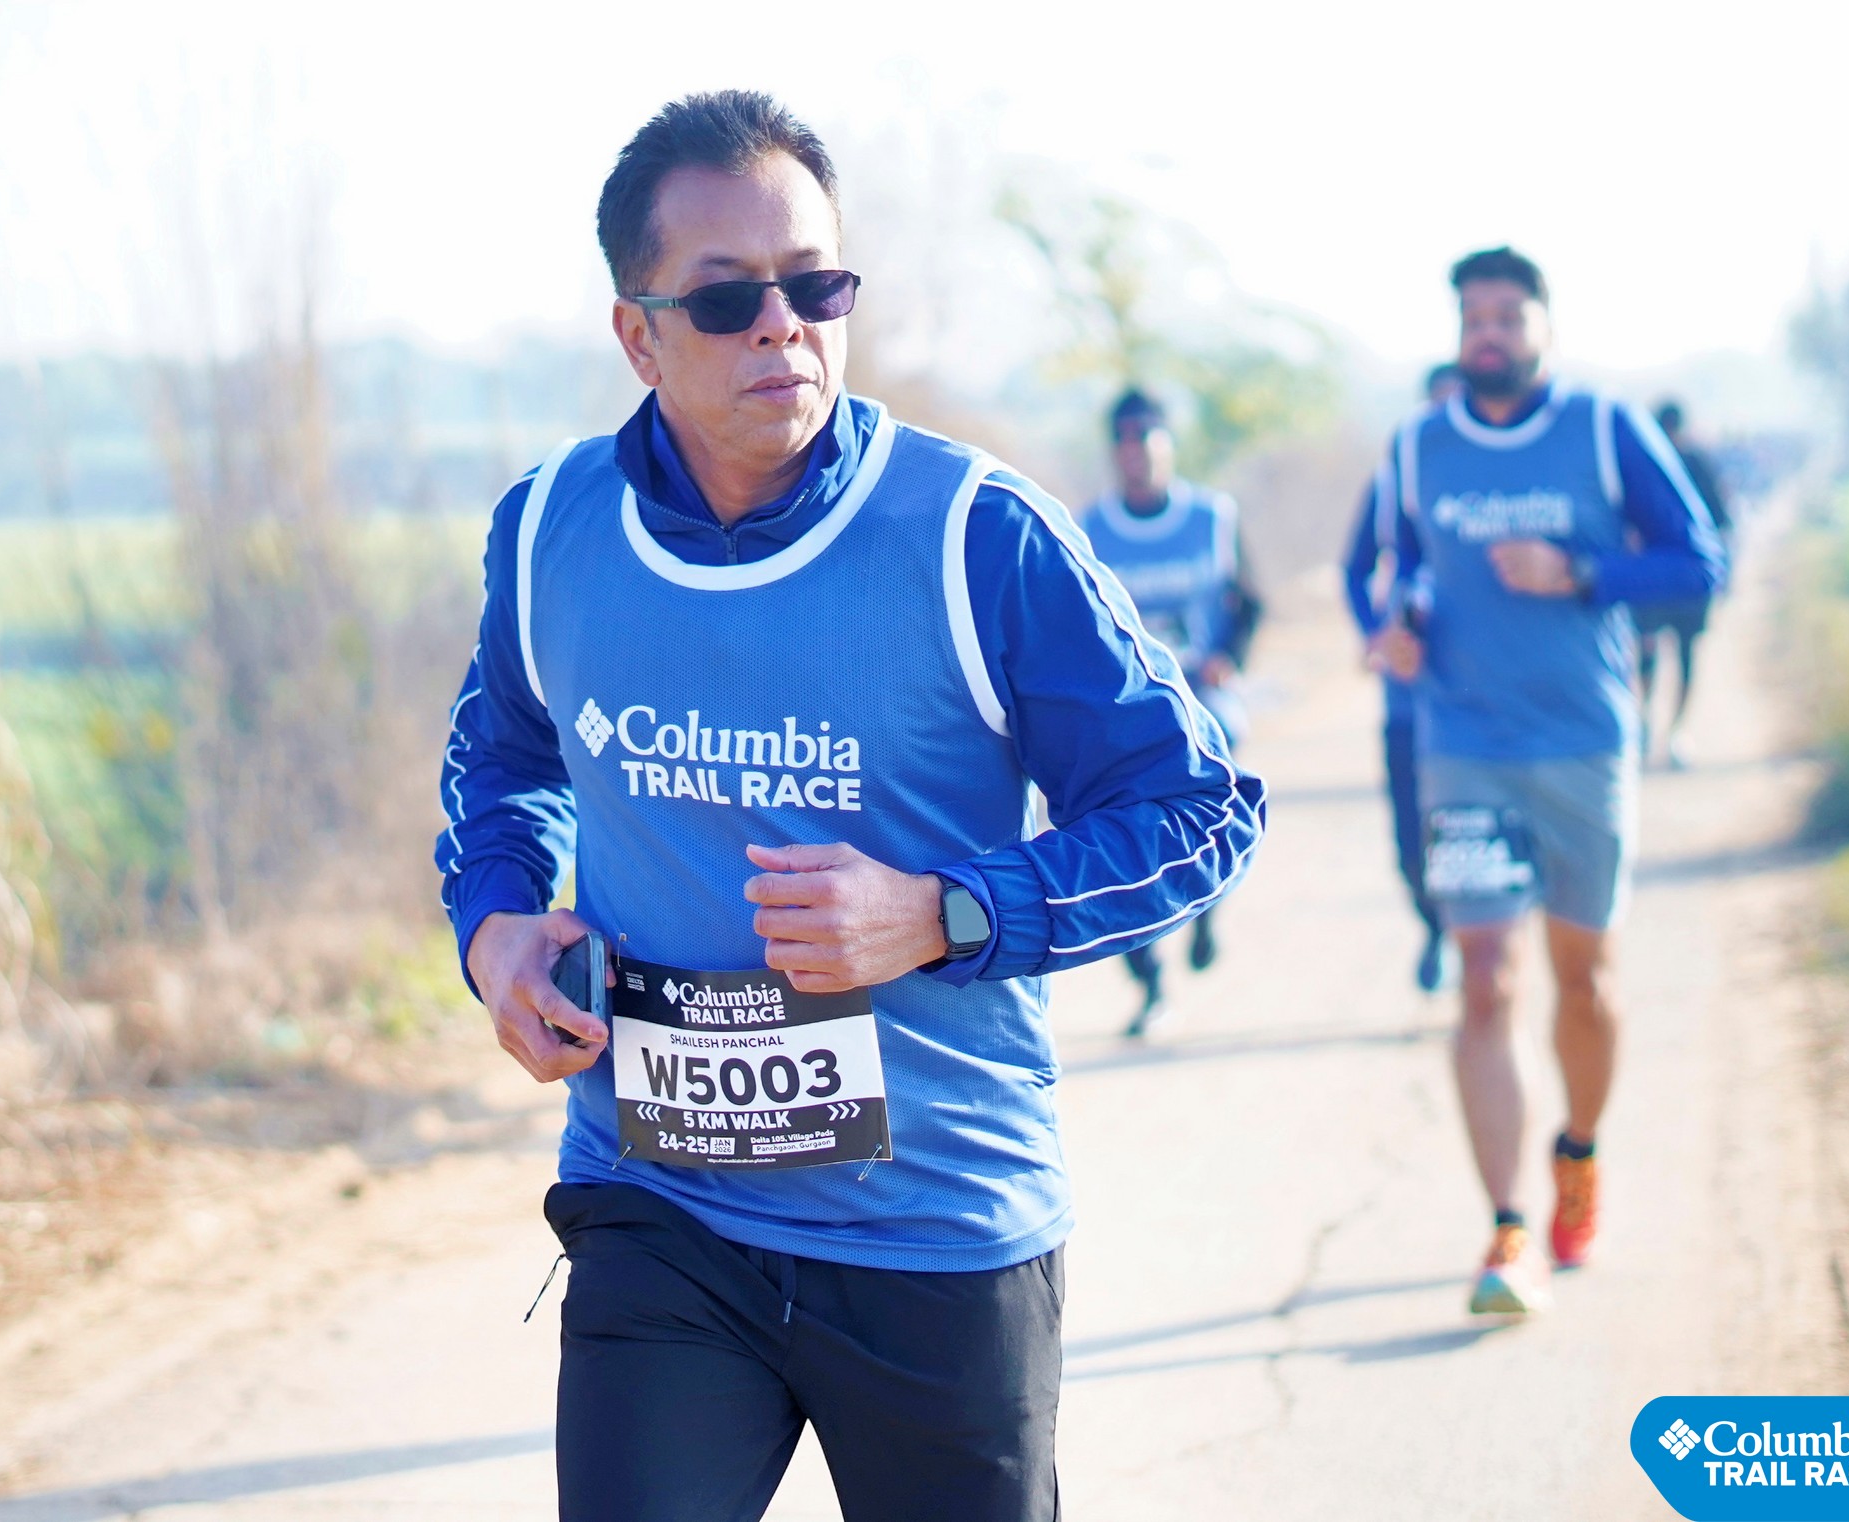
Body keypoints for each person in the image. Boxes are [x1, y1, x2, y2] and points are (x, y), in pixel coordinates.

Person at [435, 92, 1265, 1522]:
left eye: (815, 286)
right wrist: (495, 925)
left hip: (935, 1233)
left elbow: (1197, 812)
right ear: (636, 335)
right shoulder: (549, 530)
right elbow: (505, 757)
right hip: (664, 1209)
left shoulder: (975, 536)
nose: (782, 326)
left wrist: (941, 913)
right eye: (727, 299)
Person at [1366, 248, 1723, 1316]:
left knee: (1585, 978)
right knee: (1485, 977)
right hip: (1462, 745)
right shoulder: (1418, 446)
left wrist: (1582, 572)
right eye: (1473, 317)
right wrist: (1395, 628)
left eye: (1507, 316)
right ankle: (1507, 1228)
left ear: (1543, 328)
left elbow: (1699, 563)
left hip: (1582, 742)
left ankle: (1578, 1152)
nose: (1488, 333)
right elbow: (1396, 571)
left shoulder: (1606, 430)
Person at [1079, 389, 1263, 1036]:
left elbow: (1250, 601)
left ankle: (1208, 906)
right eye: (1123, 443)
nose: (1135, 454)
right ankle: (1150, 982)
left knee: (1210, 822)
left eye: (1146, 441)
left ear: (1168, 446)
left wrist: (1228, 656)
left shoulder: (1211, 517)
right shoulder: (1089, 529)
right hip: (1126, 715)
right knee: (1116, 846)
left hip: (1204, 709)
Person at [1342, 363, 1463, 992]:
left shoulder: (1504, 483)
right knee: (1412, 842)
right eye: (1436, 409)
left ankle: (1480, 949)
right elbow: (1355, 568)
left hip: (1483, 705)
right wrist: (1376, 633)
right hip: (1408, 704)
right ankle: (1435, 928)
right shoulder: (1395, 479)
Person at [1632, 398, 1734, 768]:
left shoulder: (1642, 462)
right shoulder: (1695, 463)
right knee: (1681, 655)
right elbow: (1722, 522)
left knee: (1650, 651)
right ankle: (1669, 732)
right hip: (1683, 580)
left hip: (1654, 578)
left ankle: (1651, 725)